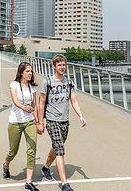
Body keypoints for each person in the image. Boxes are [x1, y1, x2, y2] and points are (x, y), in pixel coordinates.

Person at [37, 55, 86, 191]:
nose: (62, 67)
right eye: (59, 65)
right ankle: (64, 184)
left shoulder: (69, 82)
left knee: (57, 146)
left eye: (64, 65)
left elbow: (74, 100)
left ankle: (45, 168)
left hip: (65, 121)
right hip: (52, 120)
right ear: (54, 66)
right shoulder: (47, 82)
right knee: (60, 150)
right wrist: (40, 122)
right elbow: (41, 102)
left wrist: (81, 116)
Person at [3, 62, 40, 191]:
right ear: (21, 72)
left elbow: (35, 106)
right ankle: (6, 164)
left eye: (31, 71)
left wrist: (39, 122)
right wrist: (24, 107)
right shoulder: (14, 85)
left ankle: (29, 182)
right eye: (28, 71)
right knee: (13, 151)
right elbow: (15, 101)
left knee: (32, 150)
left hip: (30, 122)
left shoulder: (32, 87)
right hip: (15, 122)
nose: (30, 74)